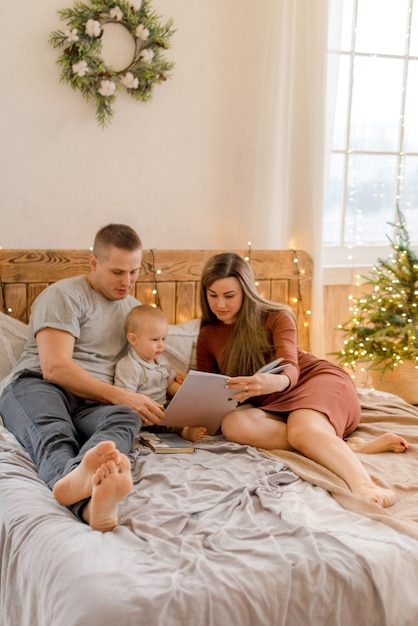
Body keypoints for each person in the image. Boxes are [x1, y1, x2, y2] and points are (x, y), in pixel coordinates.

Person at [196, 252, 409, 509]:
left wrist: (273, 383)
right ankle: (346, 447)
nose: (220, 304)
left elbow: (290, 366)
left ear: (246, 291)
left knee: (302, 429)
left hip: (314, 381)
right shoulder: (208, 334)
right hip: (273, 404)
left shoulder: (276, 316)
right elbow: (209, 387)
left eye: (229, 296)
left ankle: (364, 485)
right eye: (213, 295)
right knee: (233, 424)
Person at [0, 224, 169, 532]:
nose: (127, 282)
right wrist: (123, 396)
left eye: (134, 272)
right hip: (39, 385)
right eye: (118, 272)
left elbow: (143, 363)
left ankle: (92, 499)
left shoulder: (135, 311)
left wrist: (171, 381)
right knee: (55, 432)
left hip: (93, 401)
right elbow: (56, 368)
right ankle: (82, 493)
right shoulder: (64, 295)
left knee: (124, 419)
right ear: (93, 262)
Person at [114, 305, 206, 442]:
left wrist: (188, 397)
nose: (161, 345)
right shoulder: (129, 366)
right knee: (161, 417)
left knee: (182, 409)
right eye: (155, 340)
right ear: (133, 339)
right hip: (145, 413)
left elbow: (169, 385)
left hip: (164, 404)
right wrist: (138, 414)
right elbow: (126, 400)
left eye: (163, 339)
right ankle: (184, 431)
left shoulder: (161, 361)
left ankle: (198, 421)